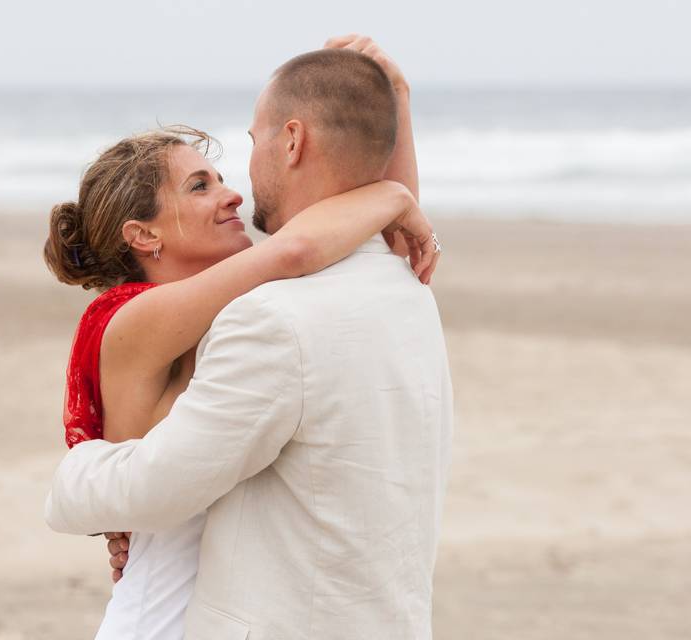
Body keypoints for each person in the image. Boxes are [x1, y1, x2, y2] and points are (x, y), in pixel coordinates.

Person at [46, 36, 453, 639]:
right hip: (163, 613)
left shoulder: (236, 304)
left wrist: (394, 105)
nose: (232, 191)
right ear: (144, 235)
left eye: (222, 173)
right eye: (200, 186)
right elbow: (299, 249)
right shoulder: (135, 318)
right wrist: (392, 195)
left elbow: (372, 256)